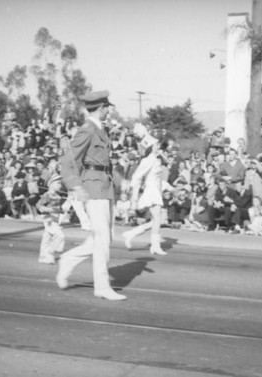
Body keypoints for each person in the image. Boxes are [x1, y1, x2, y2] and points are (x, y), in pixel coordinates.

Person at [57, 90, 126, 301]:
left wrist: (122, 183)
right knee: (102, 239)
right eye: (107, 107)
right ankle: (102, 286)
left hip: (104, 187)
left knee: (104, 237)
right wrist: (75, 186)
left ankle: (68, 258)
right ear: (101, 108)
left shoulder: (101, 129)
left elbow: (104, 163)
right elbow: (68, 159)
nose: (109, 110)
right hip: (93, 187)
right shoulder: (87, 130)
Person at [122, 123, 168, 255]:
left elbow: (158, 179)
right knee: (158, 218)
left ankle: (131, 234)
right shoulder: (148, 160)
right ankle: (155, 246)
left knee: (155, 221)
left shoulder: (156, 159)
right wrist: (134, 197)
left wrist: (166, 187)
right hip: (151, 192)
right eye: (156, 145)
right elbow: (136, 177)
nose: (159, 147)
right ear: (152, 146)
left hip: (156, 190)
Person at [36, 175, 65, 264]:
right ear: (51, 184)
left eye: (60, 183)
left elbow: (57, 208)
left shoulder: (57, 196)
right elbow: (39, 205)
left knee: (46, 238)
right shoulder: (47, 195)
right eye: (58, 183)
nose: (60, 185)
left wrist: (61, 210)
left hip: (55, 219)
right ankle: (50, 251)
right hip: (49, 219)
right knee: (60, 236)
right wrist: (46, 210)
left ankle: (43, 256)